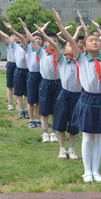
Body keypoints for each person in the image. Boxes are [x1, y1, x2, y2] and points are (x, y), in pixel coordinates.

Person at [53, 7, 101, 182]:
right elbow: (68, 39)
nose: (95, 41)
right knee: (88, 137)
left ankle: (96, 171)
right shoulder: (81, 58)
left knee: (98, 138)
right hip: (87, 99)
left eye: (97, 39)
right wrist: (59, 24)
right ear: (84, 46)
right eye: (91, 40)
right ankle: (86, 171)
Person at [36, 24, 83, 159]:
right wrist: (44, 34)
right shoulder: (61, 59)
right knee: (61, 122)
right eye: (69, 46)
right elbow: (55, 46)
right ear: (64, 49)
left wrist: (80, 30)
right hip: (64, 94)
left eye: (74, 46)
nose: (72, 47)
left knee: (73, 124)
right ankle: (62, 149)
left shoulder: (81, 60)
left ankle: (72, 150)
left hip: (77, 96)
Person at [19, 19, 60, 142]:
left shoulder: (60, 54)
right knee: (43, 107)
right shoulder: (41, 53)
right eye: (50, 41)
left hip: (58, 84)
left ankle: (53, 132)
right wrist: (25, 27)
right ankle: (44, 132)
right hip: (45, 83)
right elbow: (31, 40)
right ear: (45, 43)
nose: (53, 43)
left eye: (56, 41)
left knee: (55, 108)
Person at [3, 21, 29, 120]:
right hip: (14, 67)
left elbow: (32, 37)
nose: (16, 37)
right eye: (13, 36)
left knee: (26, 91)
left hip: (27, 70)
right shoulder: (14, 46)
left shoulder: (29, 47)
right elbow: (5, 37)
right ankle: (12, 104)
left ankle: (24, 108)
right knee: (12, 86)